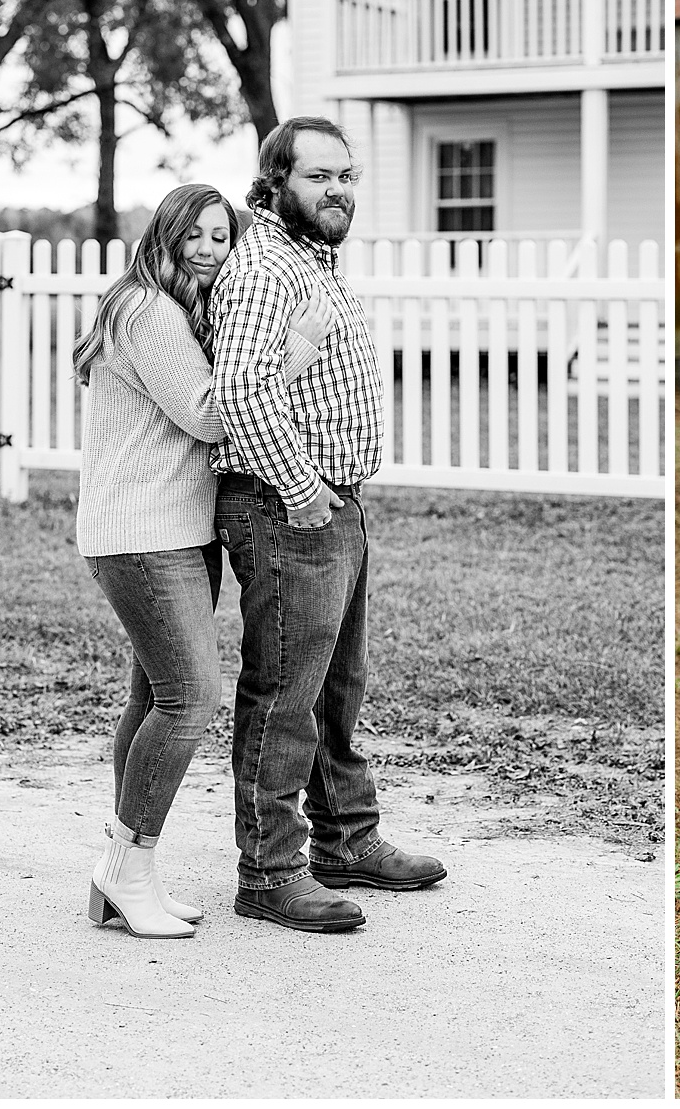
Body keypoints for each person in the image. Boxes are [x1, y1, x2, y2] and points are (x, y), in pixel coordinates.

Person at [209, 115, 447, 935]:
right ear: (275, 182)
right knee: (285, 694)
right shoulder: (264, 268)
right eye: (319, 177)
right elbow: (241, 390)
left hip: (336, 502)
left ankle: (346, 839)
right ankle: (269, 872)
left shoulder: (313, 260)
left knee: (338, 688)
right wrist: (302, 486)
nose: (338, 190)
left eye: (347, 176)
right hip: (286, 506)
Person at [76, 183, 334, 940]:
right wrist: (295, 353)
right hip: (143, 533)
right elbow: (208, 413)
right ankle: (127, 872)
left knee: (153, 699)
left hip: (169, 529)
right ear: (163, 233)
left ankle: (123, 872)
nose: (208, 251)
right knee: (191, 698)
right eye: (193, 234)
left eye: (222, 238)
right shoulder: (148, 311)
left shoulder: (171, 309)